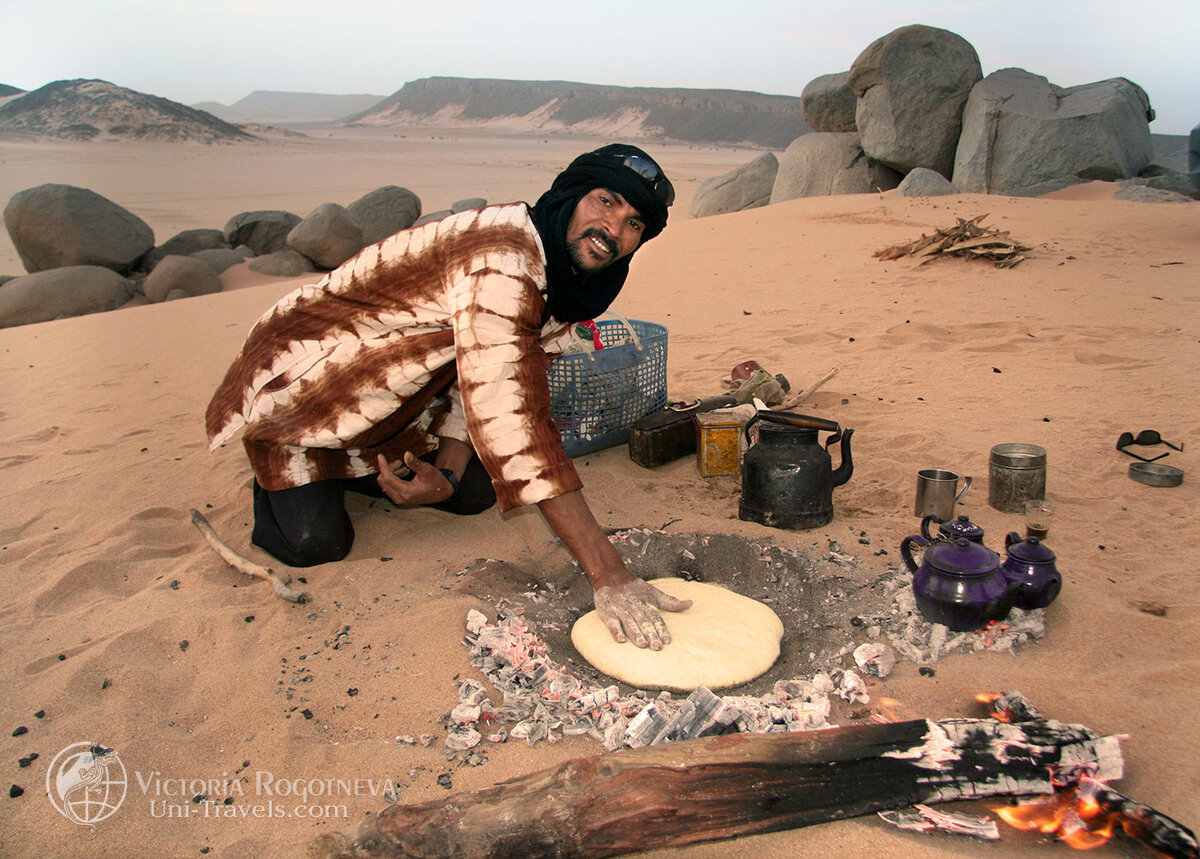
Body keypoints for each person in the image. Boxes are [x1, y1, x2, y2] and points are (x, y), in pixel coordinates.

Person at [206, 144, 690, 649]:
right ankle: (284, 470)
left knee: (474, 491)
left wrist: (452, 474)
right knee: (316, 544)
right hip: (312, 389)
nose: (613, 230)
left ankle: (368, 463)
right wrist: (609, 574)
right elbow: (510, 417)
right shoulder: (501, 260)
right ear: (572, 195)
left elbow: (477, 376)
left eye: (634, 224)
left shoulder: (565, 274)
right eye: (606, 202)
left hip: (400, 394)